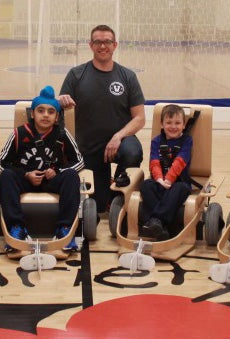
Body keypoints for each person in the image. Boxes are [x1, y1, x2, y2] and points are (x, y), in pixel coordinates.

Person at [59, 24, 145, 214]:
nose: (102, 46)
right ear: (91, 45)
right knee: (98, 206)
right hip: (88, 146)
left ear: (115, 45)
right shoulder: (76, 75)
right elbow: (59, 107)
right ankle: (105, 191)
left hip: (120, 141)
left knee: (133, 151)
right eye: (98, 41)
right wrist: (60, 100)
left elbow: (139, 118)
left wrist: (118, 136)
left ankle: (119, 193)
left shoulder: (128, 77)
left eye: (107, 41)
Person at [0, 86, 84, 252]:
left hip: (51, 181)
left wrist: (58, 171)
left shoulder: (62, 134)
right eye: (41, 110)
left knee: (72, 176)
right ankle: (17, 229)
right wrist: (26, 174)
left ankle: (64, 230)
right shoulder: (18, 134)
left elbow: (79, 161)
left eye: (51, 112)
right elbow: (1, 163)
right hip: (26, 181)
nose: (45, 115)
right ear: (32, 114)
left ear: (57, 116)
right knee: (6, 175)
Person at [138, 104, 194, 242]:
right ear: (162, 124)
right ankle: (162, 228)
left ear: (184, 125)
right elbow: (154, 162)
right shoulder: (156, 141)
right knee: (146, 185)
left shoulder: (187, 140)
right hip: (160, 182)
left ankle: (156, 221)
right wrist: (159, 179)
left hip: (177, 183)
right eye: (168, 123)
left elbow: (180, 161)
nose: (173, 126)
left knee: (181, 188)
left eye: (177, 123)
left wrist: (168, 180)